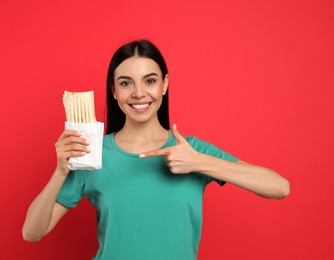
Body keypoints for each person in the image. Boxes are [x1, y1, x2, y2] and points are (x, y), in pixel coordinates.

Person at [22, 39, 290, 259]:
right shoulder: (92, 152)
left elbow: (279, 187)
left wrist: (199, 162)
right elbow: (32, 233)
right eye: (126, 83)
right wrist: (60, 171)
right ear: (114, 91)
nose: (139, 93)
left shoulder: (192, 151)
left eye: (149, 81)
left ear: (165, 84)